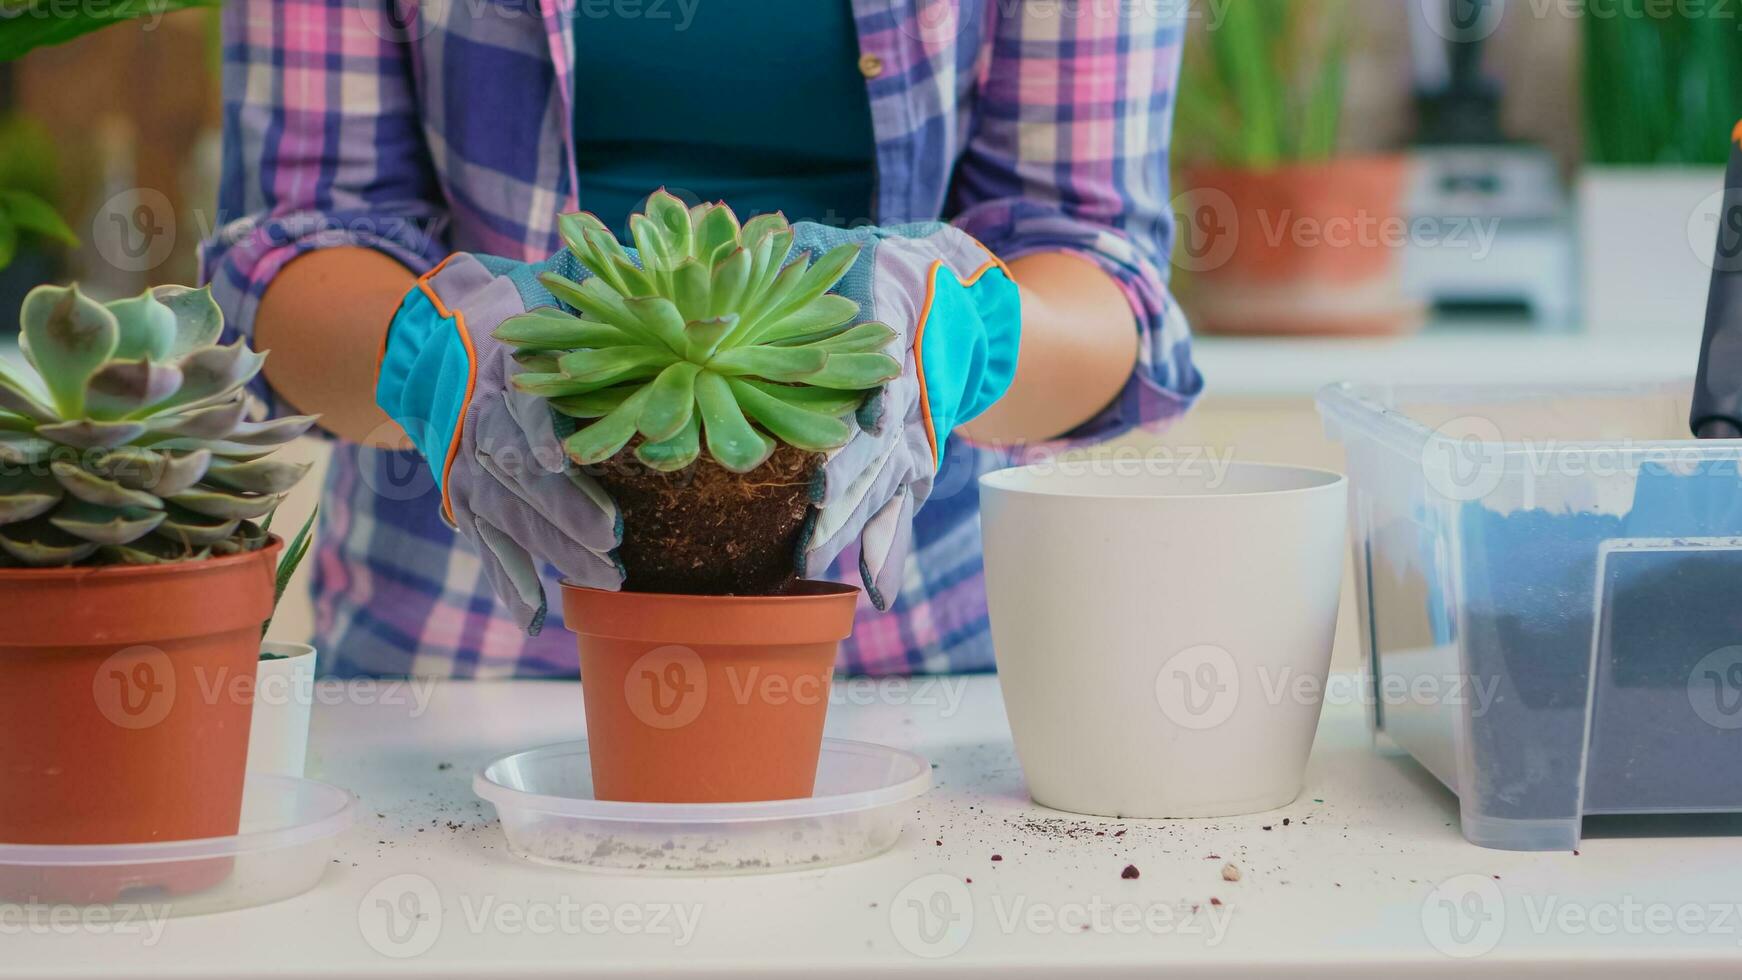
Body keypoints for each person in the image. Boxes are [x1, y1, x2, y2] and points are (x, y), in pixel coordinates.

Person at [201, 0, 1202, 678]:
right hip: (462, 652)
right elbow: (294, 243)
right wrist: (429, 361)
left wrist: (971, 328)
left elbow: (1097, 268)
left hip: (923, 652)